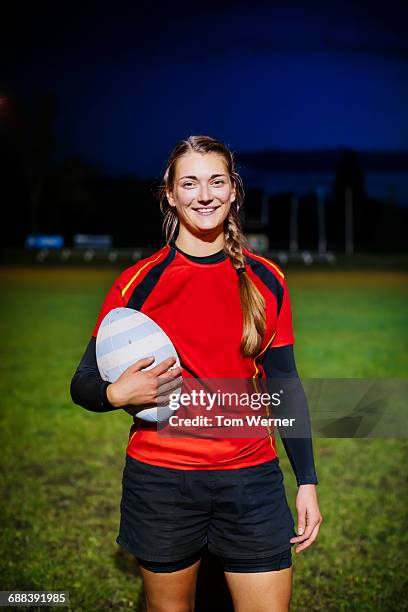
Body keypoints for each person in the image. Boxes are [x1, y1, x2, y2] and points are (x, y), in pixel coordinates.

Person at [70, 135, 322, 612]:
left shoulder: (266, 280)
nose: (203, 195)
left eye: (215, 181)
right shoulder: (138, 284)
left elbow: (285, 386)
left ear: (233, 191)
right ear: (169, 193)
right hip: (162, 482)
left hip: (251, 480)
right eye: (189, 183)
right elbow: (82, 382)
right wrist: (117, 392)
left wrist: (306, 480)